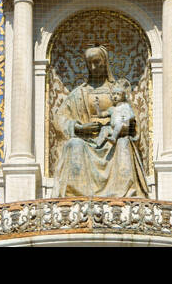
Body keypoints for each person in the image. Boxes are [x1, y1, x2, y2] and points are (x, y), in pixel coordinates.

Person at [53, 45, 149, 198]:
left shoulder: (118, 91)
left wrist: (124, 128)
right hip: (86, 141)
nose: (93, 67)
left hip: (113, 141)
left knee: (124, 143)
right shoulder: (79, 93)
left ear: (105, 62)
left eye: (97, 62)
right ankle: (76, 196)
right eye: (89, 63)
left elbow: (131, 117)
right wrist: (79, 128)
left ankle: (123, 194)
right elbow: (59, 118)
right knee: (74, 144)